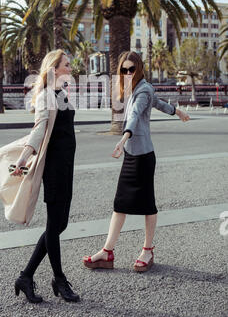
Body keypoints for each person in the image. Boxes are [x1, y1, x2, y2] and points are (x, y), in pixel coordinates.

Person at [83, 51, 190, 272]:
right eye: (124, 69)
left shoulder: (143, 90)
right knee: (120, 204)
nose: (128, 73)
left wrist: (123, 139)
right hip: (132, 155)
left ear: (139, 68)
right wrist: (177, 111)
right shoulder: (135, 89)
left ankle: (148, 250)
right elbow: (158, 103)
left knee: (147, 205)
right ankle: (107, 251)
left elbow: (135, 114)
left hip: (142, 156)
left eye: (132, 69)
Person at [12, 49, 80, 303]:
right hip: (54, 167)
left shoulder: (61, 94)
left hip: (67, 166)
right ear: (54, 69)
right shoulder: (45, 96)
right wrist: (23, 158)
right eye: (67, 64)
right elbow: (38, 130)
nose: (71, 69)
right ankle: (59, 279)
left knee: (59, 225)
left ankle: (26, 276)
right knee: (54, 225)